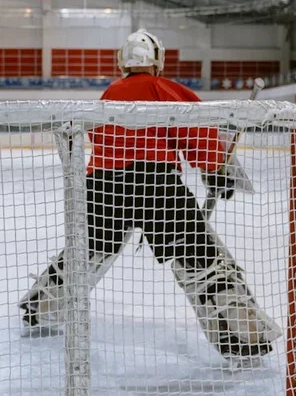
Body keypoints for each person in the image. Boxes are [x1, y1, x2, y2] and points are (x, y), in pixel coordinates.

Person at [20, 30, 282, 361]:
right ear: (157, 60)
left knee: (87, 252)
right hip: (156, 186)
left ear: (122, 61)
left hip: (102, 186)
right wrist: (217, 169)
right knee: (201, 261)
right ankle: (242, 338)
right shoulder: (163, 89)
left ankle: (39, 308)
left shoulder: (110, 93)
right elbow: (198, 133)